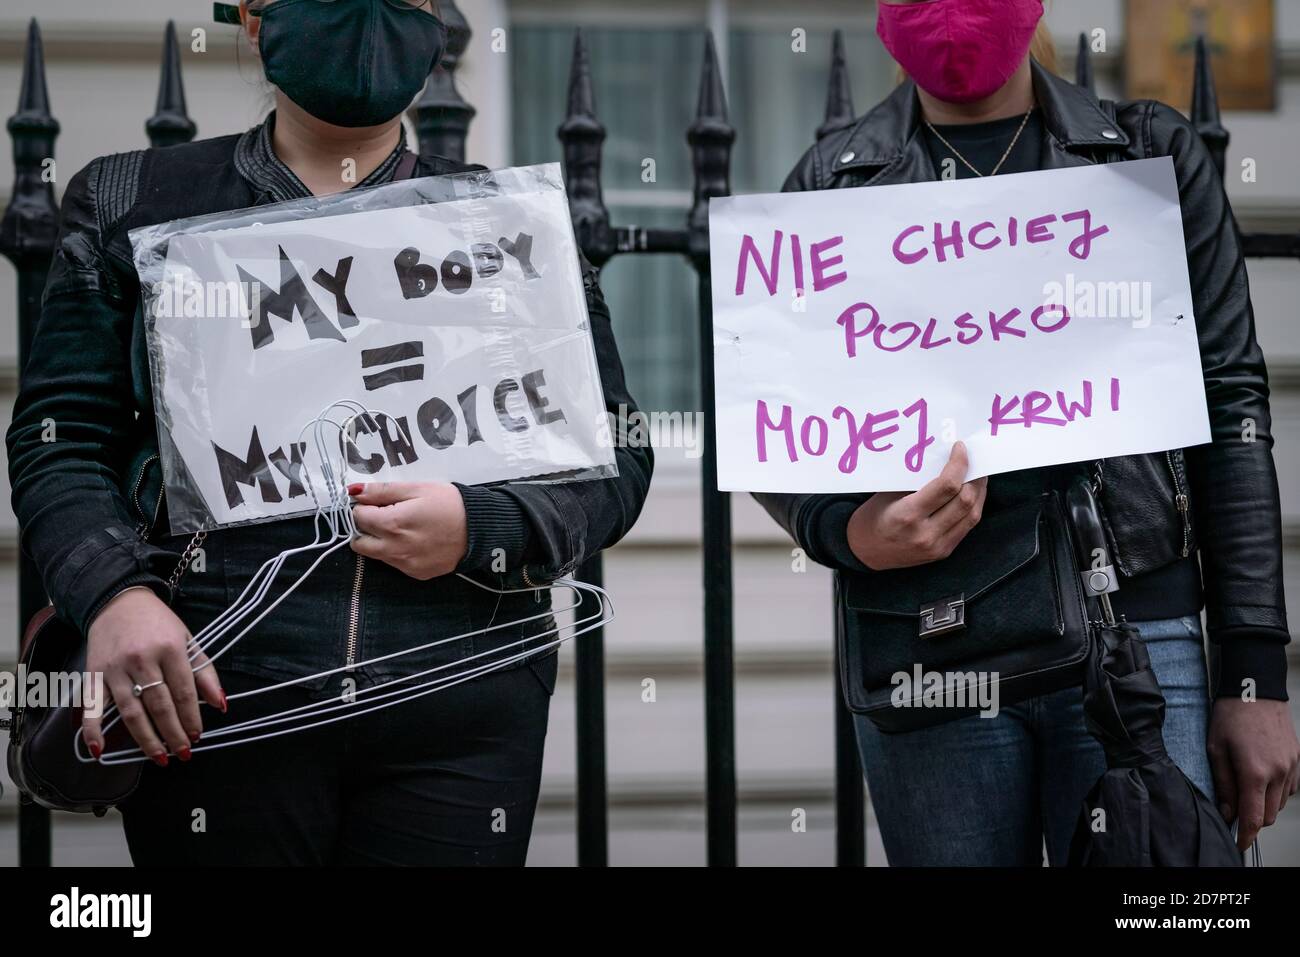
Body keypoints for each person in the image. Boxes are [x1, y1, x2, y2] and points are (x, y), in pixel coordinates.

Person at [5, 0, 653, 866]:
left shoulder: (513, 227)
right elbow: (59, 438)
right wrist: (116, 596)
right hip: (215, 697)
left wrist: (480, 527)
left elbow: (616, 454)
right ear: (249, 16)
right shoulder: (133, 200)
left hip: (460, 707)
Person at [755, 0, 1298, 865]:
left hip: (1138, 629)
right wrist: (849, 529)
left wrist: (1253, 672)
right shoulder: (831, 185)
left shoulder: (1147, 155)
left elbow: (1229, 406)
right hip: (930, 641)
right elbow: (777, 428)